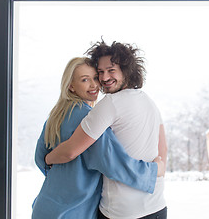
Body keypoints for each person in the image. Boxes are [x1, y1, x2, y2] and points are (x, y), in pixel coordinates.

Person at [46, 41, 167, 219]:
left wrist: (47, 158)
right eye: (100, 72)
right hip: (157, 207)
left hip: (122, 212)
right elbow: (162, 150)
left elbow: (71, 151)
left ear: (126, 70)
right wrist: (159, 169)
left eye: (111, 70)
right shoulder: (148, 101)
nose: (104, 78)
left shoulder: (110, 104)